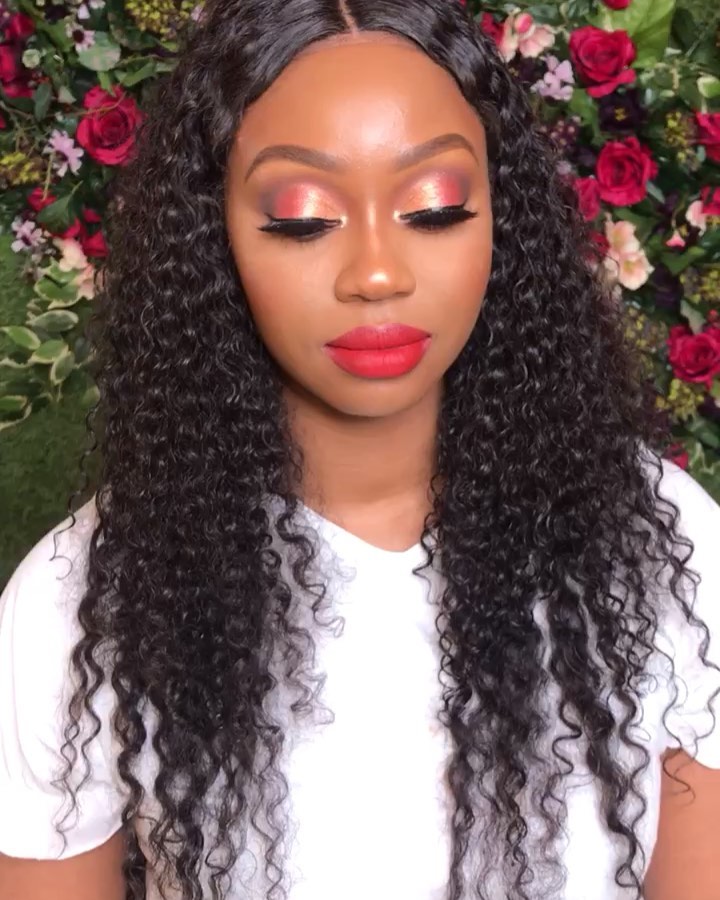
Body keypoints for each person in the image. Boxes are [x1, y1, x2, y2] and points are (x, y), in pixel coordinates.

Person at [1, 1, 719, 898]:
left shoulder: (663, 543)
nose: (377, 272)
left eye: (435, 208)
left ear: (502, 221)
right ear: (213, 240)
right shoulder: (78, 600)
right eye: (301, 218)